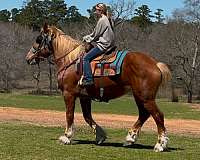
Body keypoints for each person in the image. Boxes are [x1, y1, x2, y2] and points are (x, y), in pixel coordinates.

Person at [79, 3, 115, 86]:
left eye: (96, 10)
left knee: (85, 58)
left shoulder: (102, 20)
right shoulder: (108, 19)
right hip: (109, 44)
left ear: (101, 10)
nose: (95, 12)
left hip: (104, 45)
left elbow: (95, 35)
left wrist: (86, 39)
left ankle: (88, 79)